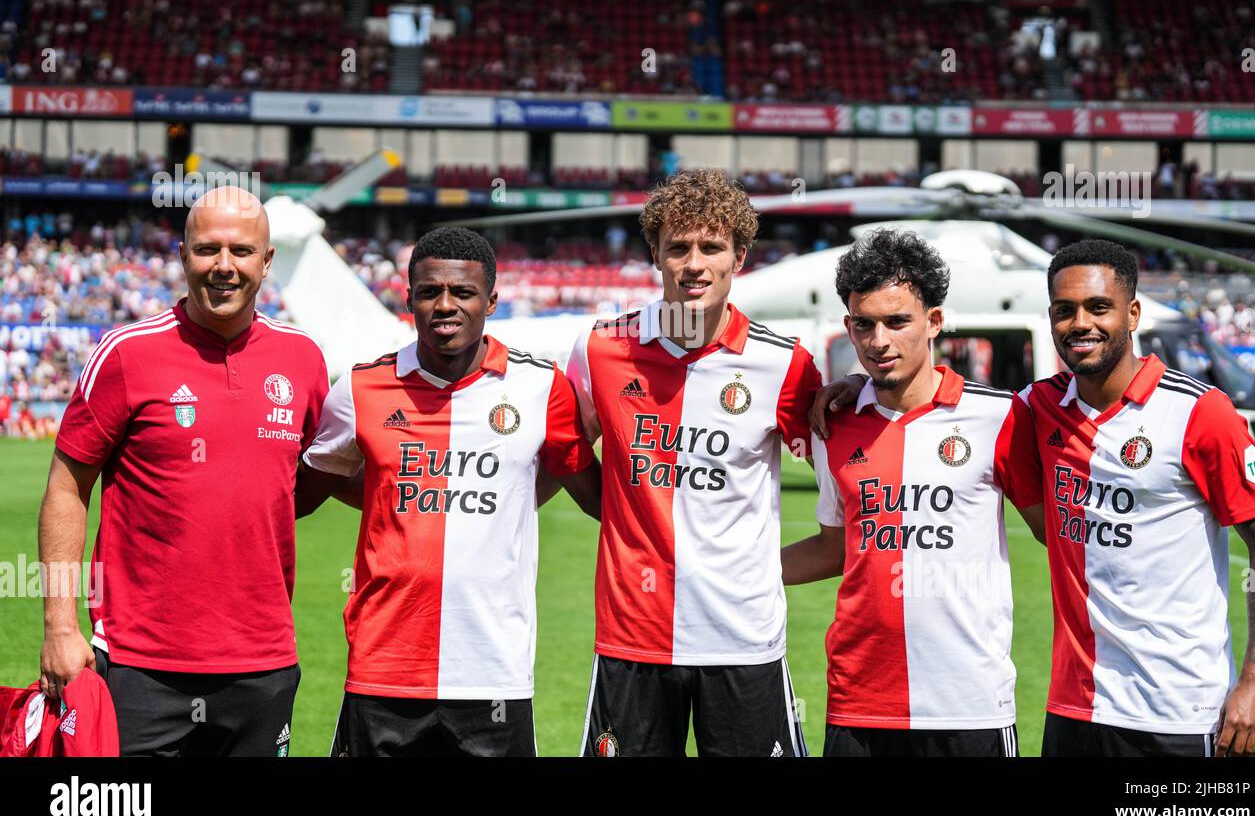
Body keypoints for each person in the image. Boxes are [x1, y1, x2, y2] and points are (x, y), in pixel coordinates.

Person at [38, 186, 329, 756]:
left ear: (267, 262)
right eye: (207, 250)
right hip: (140, 667)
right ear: (182, 255)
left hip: (263, 662)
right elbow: (66, 489)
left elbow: (309, 475)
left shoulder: (304, 359)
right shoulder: (126, 352)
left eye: (242, 251)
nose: (224, 267)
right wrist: (59, 626)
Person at [295, 227, 601, 757]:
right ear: (408, 297)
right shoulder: (361, 390)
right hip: (382, 670)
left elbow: (592, 493)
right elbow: (304, 493)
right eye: (429, 291)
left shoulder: (540, 388)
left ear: (491, 301)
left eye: (462, 292)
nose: (445, 305)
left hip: (494, 676)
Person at [566, 168, 822, 757]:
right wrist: (617, 514)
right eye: (678, 247)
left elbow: (847, 466)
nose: (694, 264)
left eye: (712, 247)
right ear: (654, 254)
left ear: (740, 256)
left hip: (743, 641)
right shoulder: (601, 349)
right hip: (634, 638)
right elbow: (569, 452)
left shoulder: (784, 365)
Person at [1022, 239, 1255, 756]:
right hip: (1074, 708)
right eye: (1064, 310)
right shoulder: (1037, 407)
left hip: (1178, 711)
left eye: (1099, 307)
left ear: (1133, 313)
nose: (1081, 323)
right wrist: (860, 389)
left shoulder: (1198, 411)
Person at [784, 229, 1044, 756]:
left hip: (969, 704)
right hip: (859, 702)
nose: (879, 341)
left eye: (898, 322)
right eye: (865, 324)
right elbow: (836, 547)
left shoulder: (998, 418)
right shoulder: (833, 425)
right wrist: (725, 572)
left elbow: (1057, 537)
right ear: (848, 328)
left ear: (934, 322)